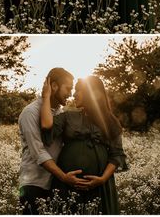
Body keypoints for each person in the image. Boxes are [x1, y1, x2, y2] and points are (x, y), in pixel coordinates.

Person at [41, 75, 127, 215]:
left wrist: (102, 179)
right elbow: (46, 125)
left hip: (100, 186)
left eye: (78, 90)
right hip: (67, 183)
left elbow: (116, 155)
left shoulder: (111, 122)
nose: (73, 95)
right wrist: (46, 96)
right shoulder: (68, 116)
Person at [18, 67, 84, 214]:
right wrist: (64, 177)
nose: (70, 93)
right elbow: (38, 152)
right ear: (54, 86)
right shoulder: (30, 113)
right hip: (34, 184)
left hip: (55, 184)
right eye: (68, 88)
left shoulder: (60, 113)